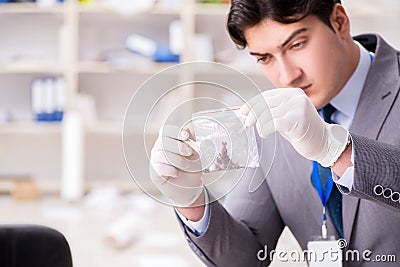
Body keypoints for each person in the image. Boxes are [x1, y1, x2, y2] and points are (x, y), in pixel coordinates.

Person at [149, 0, 400, 266]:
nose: (287, 76)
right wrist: (192, 201)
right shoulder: (271, 123)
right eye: (265, 58)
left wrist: (336, 150)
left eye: (297, 45)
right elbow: (245, 259)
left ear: (339, 21)